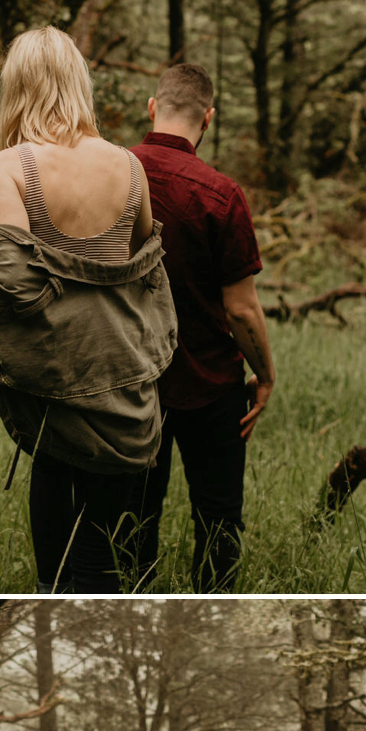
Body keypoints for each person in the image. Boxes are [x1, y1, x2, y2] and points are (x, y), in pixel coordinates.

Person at [0, 27, 176, 590]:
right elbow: (141, 266)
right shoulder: (129, 166)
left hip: (55, 398)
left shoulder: (9, 166)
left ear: (16, 88)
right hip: (126, 397)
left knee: (63, 576)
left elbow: (16, 283)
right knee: (107, 562)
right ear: (78, 84)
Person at [132, 58, 275, 586]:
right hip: (211, 384)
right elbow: (241, 309)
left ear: (152, 107)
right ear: (208, 118)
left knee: (132, 522)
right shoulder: (222, 194)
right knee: (218, 522)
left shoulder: (111, 172)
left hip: (130, 382)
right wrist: (266, 376)